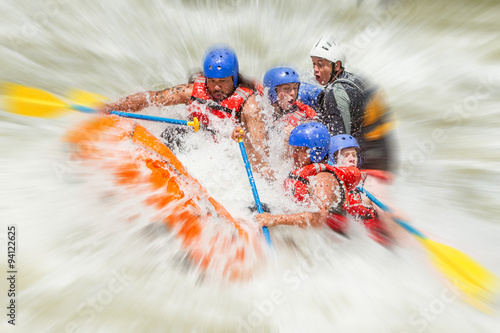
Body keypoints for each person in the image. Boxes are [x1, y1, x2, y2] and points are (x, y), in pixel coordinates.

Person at [100, 45, 267, 153]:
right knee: (173, 134)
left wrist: (244, 139)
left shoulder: (249, 106)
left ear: (234, 79)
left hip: (229, 152)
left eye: (223, 82)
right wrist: (114, 107)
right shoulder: (192, 91)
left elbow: (262, 151)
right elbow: (151, 98)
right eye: (212, 81)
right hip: (196, 141)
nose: (216, 87)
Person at [254, 122, 362, 230]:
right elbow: (261, 170)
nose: (293, 154)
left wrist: (275, 219)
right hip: (306, 237)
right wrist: (245, 139)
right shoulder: (301, 172)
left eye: (298, 150)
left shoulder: (323, 178)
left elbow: (320, 218)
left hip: (328, 241)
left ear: (314, 152)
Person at [310, 36, 395, 172]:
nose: (315, 69)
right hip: (385, 155)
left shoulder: (335, 93)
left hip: (367, 164)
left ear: (336, 65)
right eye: (313, 64)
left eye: (320, 64)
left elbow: (341, 142)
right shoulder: (355, 78)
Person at [328, 134, 394, 246]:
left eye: (354, 155)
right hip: (347, 245)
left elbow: (385, 210)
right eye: (346, 155)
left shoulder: (368, 182)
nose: (352, 158)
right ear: (334, 158)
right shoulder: (328, 181)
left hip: (376, 245)